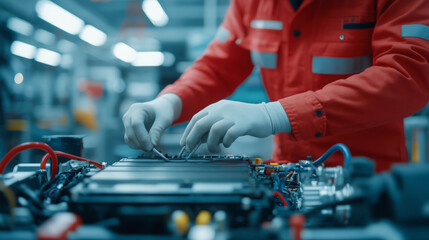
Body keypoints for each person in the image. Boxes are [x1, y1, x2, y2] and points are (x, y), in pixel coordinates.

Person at [123, 0, 429, 172]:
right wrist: (169, 102)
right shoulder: (251, 4)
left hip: (370, 180)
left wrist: (275, 115)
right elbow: (217, 67)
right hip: (286, 173)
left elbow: (408, 74)